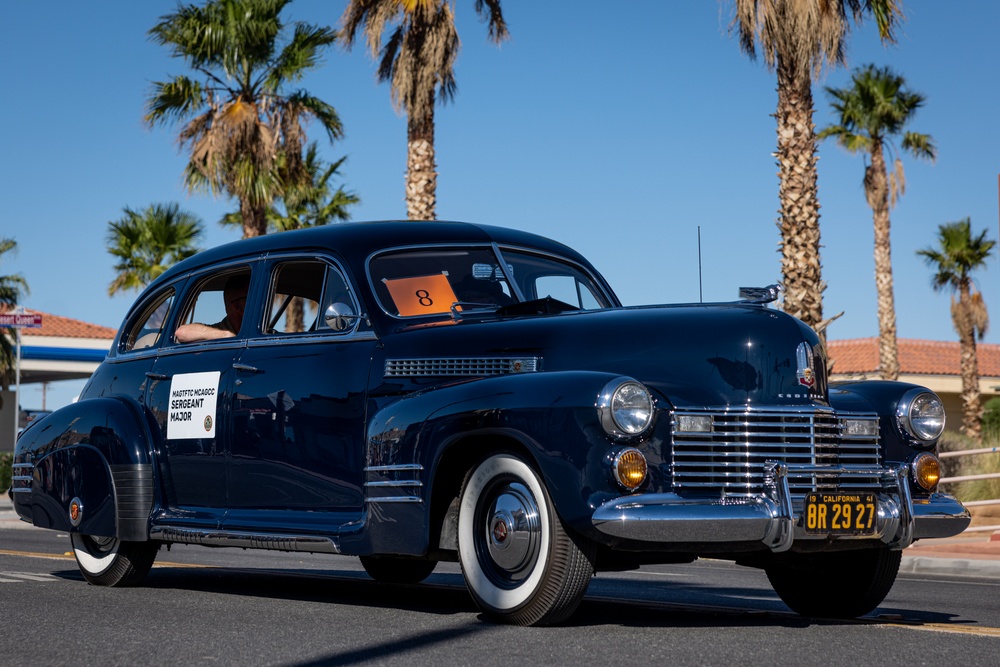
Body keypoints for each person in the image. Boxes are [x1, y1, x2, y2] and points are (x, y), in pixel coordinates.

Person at [175, 274, 249, 343]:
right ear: (238, 306)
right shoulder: (219, 330)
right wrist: (225, 336)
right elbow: (181, 332)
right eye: (252, 298)